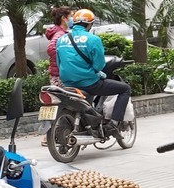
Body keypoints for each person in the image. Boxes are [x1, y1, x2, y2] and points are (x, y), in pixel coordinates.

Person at [56, 8, 132, 137]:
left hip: (67, 83)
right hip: (89, 83)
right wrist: (97, 73)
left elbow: (59, 63)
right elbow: (99, 65)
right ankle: (113, 124)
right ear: (90, 24)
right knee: (125, 89)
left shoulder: (61, 40)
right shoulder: (93, 39)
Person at [41, 6, 74, 146]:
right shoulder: (60, 34)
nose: (73, 18)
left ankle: (49, 134)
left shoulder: (59, 32)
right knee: (63, 104)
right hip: (60, 75)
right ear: (64, 18)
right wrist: (63, 61)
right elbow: (52, 49)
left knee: (56, 103)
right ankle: (49, 135)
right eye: (71, 16)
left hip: (55, 74)